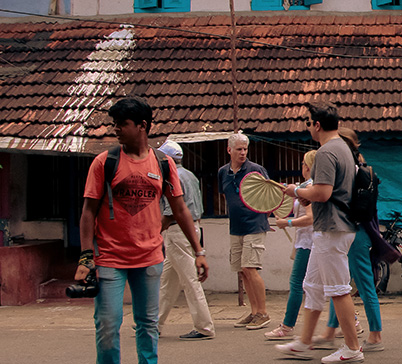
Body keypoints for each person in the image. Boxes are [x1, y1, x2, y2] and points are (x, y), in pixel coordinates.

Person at [76, 96, 208, 364]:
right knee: (108, 325)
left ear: (142, 126)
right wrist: (85, 257)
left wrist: (199, 251)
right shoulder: (104, 162)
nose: (116, 129)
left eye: (122, 124)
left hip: (149, 257)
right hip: (110, 258)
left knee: (148, 325)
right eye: (115, 124)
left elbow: (180, 209)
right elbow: (88, 211)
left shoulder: (163, 164)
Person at [275, 102, 364, 363]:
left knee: (338, 288)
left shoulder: (326, 151)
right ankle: (303, 343)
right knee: (312, 285)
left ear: (317, 125)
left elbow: (323, 192)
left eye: (307, 122)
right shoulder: (344, 148)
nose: (307, 127)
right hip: (336, 226)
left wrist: (296, 191)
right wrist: (306, 196)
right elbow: (329, 192)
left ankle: (352, 348)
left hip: (332, 228)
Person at [316, 127, 385, 353]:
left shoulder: (349, 170)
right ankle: (329, 331)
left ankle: (375, 334)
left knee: (360, 285)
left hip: (353, 231)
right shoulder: (360, 168)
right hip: (358, 231)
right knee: (341, 284)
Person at [156, 140, 215, 341]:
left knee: (190, 280)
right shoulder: (189, 175)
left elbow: (171, 212)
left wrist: (155, 232)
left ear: (167, 159)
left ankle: (204, 327)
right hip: (192, 229)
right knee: (168, 281)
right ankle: (154, 323)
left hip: (177, 232)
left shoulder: (172, 177)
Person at [218, 132, 272, 330]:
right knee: (242, 271)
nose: (242, 153)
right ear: (229, 150)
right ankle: (254, 311)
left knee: (251, 268)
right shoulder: (223, 172)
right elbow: (225, 196)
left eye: (245, 149)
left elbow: (271, 195)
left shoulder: (256, 170)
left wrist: (264, 218)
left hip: (254, 225)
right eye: (239, 149)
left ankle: (263, 313)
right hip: (236, 227)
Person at [265, 150, 317, 341]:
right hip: (307, 241)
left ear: (308, 166)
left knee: (297, 284)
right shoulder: (308, 186)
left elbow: (311, 218)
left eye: (304, 163)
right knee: (326, 286)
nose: (301, 166)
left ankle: (287, 327)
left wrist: (286, 223)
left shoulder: (311, 187)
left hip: (308, 243)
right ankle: (352, 322)